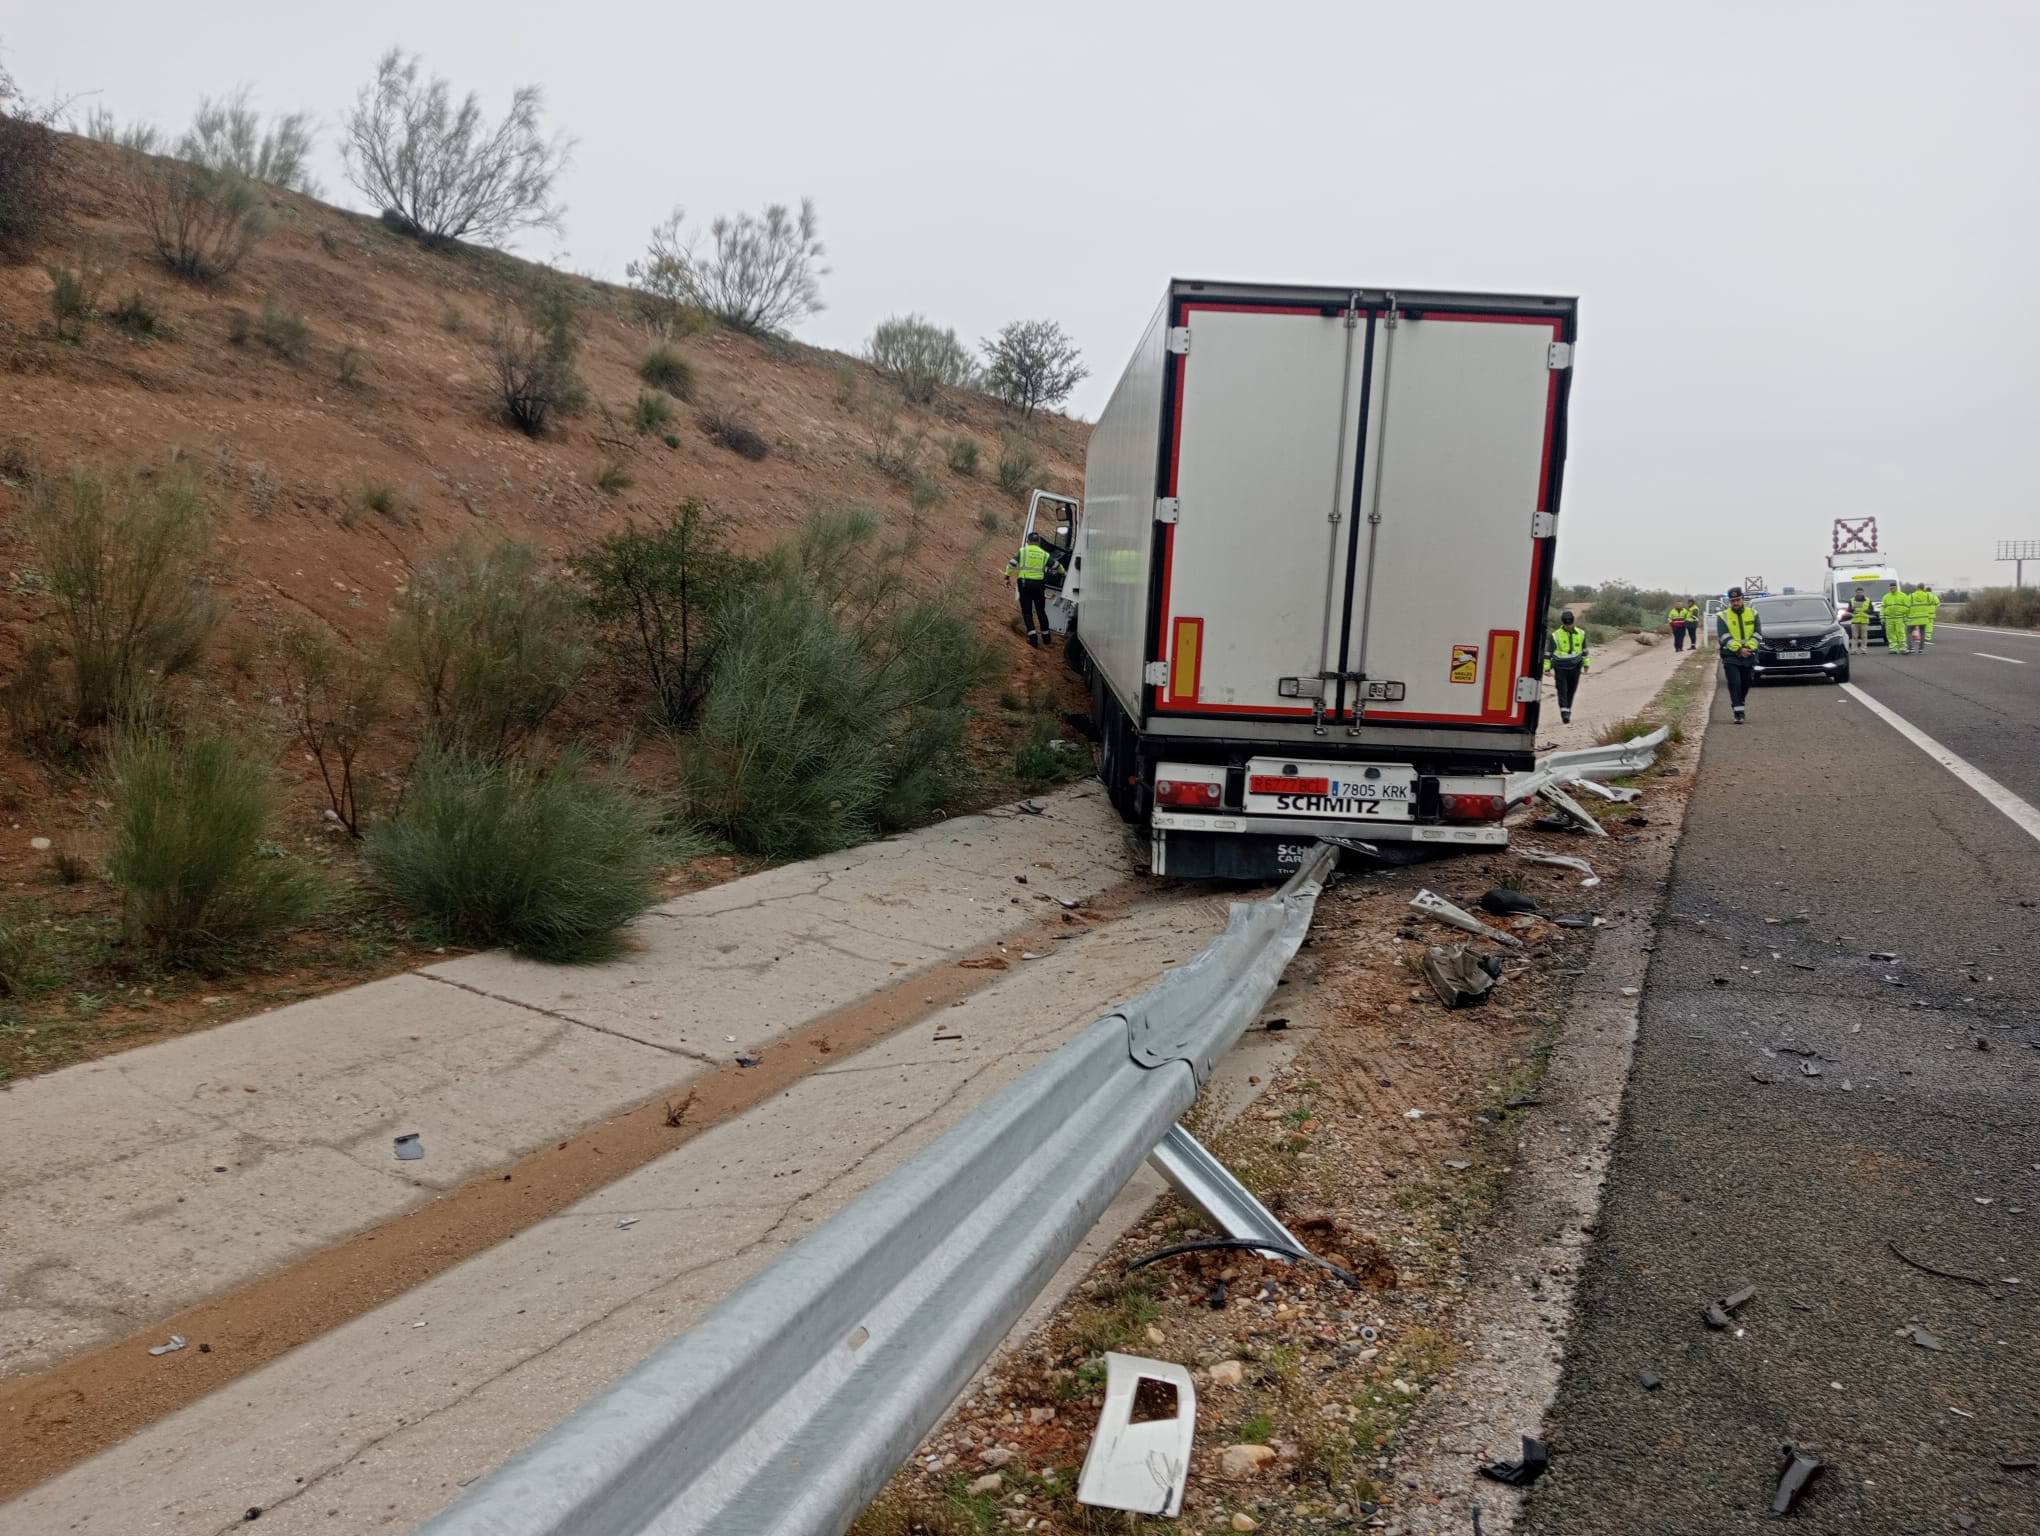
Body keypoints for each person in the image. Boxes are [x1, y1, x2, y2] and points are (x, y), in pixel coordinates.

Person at [1003, 531, 1066, 647]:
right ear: (1039, 543)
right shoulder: (1044, 554)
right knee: (1041, 611)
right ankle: (1046, 638)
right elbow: (1058, 566)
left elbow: (1011, 564)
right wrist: (1064, 574)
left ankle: (1033, 639)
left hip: (1025, 584)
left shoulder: (1023, 551)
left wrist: (1007, 577)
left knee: (1027, 612)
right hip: (1039, 586)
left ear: (1028, 541)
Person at [1716, 586, 1760, 724]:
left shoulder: (1753, 613)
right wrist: (1739, 649)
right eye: (1732, 600)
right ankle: (1738, 712)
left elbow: (1758, 633)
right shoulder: (1723, 616)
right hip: (1730, 655)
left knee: (1747, 682)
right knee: (1735, 683)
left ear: (1743, 599)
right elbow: (1724, 636)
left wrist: (1748, 648)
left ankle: (1739, 702)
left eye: (1738, 600)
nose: (1735, 603)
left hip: (1749, 655)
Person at [1545, 609, 1590, 724]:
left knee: (1572, 689)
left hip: (1575, 666)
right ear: (1563, 623)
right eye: (1566, 624)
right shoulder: (1555, 635)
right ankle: (1564, 713)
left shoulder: (1581, 633)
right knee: (1562, 689)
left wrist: (1586, 664)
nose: (1568, 626)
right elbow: (1548, 652)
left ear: (1573, 622)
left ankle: (1568, 709)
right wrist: (1547, 668)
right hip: (1560, 666)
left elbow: (1584, 650)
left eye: (1570, 624)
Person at [1880, 584, 1911, 655]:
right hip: (1889, 618)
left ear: (1896, 588)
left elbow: (1908, 606)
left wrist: (1905, 615)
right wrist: (1882, 617)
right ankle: (1893, 648)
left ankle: (1903, 648)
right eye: (1891, 588)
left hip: (1899, 617)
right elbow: (1883, 608)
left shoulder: (1903, 596)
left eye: (1893, 588)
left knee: (1900, 632)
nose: (1892, 589)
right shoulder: (1886, 597)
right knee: (1890, 633)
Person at [1910, 582, 1938, 650]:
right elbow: (1937, 603)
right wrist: (1933, 607)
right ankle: (1927, 638)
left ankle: (1920, 639)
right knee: (1929, 626)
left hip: (1924, 613)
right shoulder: (1933, 596)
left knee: (1921, 626)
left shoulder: (1924, 595)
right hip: (1931, 614)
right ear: (1931, 591)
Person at [1849, 587, 1872, 655]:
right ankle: (1854, 650)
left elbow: (1871, 610)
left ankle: (1863, 649)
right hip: (1855, 621)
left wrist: (1866, 611)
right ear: (1856, 593)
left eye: (1861, 592)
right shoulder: (1852, 600)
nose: (1859, 593)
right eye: (1858, 592)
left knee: (1864, 637)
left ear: (1863, 592)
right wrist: (1852, 608)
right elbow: (1849, 610)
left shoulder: (1868, 600)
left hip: (1864, 621)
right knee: (1854, 637)